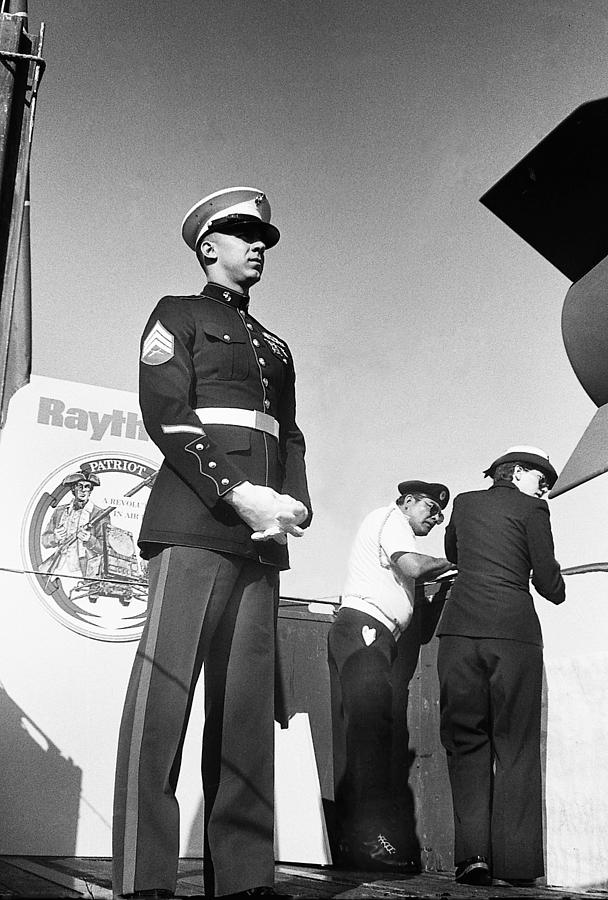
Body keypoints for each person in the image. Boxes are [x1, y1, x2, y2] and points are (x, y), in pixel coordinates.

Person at [112, 187, 312, 900]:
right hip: (196, 522)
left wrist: (294, 503)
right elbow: (167, 411)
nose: (257, 246)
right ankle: (144, 880)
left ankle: (244, 879)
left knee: (247, 712)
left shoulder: (276, 346)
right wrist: (236, 490)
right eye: (242, 234)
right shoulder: (178, 314)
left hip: (260, 542)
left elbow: (288, 433)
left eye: (263, 237)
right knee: (163, 702)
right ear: (208, 247)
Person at [437, 446, 566, 887]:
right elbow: (549, 584)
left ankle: (472, 857)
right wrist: (556, 578)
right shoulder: (534, 510)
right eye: (541, 478)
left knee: (466, 741)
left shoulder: (464, 503)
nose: (544, 487)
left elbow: (454, 552)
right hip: (512, 635)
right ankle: (515, 865)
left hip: (458, 635)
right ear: (520, 473)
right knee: (515, 745)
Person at [328, 480, 454, 873]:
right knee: (370, 739)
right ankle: (370, 842)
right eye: (430, 508)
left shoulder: (391, 526)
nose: (435, 517)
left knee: (365, 738)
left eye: (439, 513)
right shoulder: (392, 518)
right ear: (407, 501)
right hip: (366, 629)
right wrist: (453, 562)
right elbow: (413, 566)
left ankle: (354, 841)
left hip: (371, 635)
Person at [41, 469, 104, 582]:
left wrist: (90, 539)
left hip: (84, 570)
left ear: (91, 490)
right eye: (80, 486)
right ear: (73, 489)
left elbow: (105, 548)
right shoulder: (59, 511)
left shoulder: (99, 514)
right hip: (58, 565)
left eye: (87, 487)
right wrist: (55, 537)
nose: (83, 490)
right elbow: (45, 541)